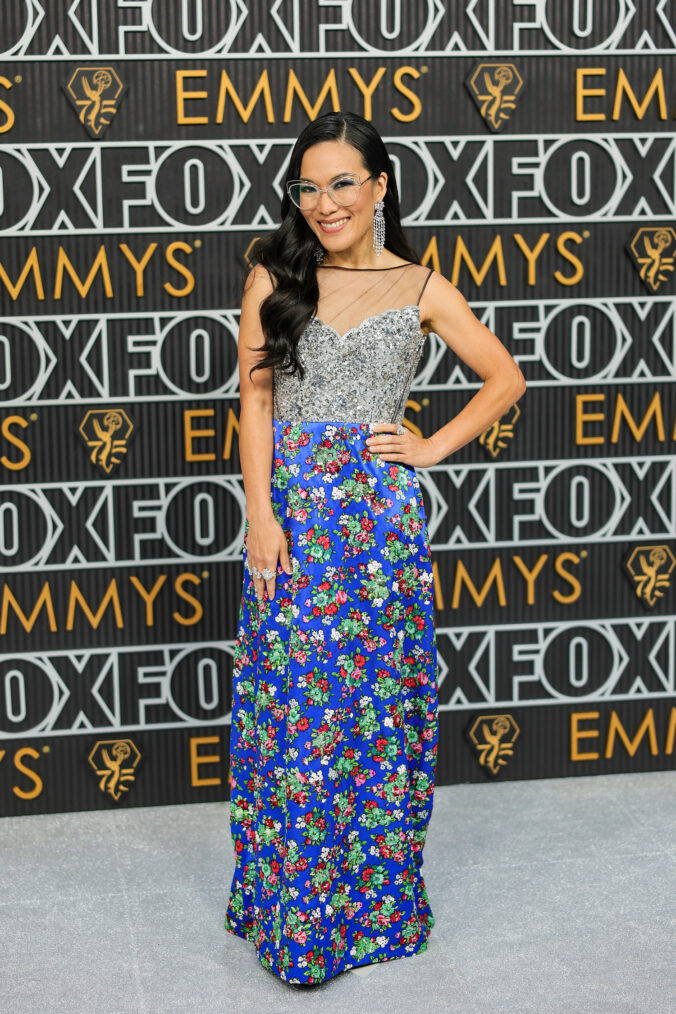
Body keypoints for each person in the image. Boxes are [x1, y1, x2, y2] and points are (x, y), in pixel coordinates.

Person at [224, 110, 526, 987]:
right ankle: (295, 921)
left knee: (379, 715)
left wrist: (430, 447)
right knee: (297, 721)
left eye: (342, 183)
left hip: (383, 530)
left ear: (380, 186)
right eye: (308, 187)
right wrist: (260, 514)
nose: (325, 203)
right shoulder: (274, 274)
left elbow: (504, 377)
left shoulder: (423, 287)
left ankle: (373, 910)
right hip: (294, 523)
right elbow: (256, 405)